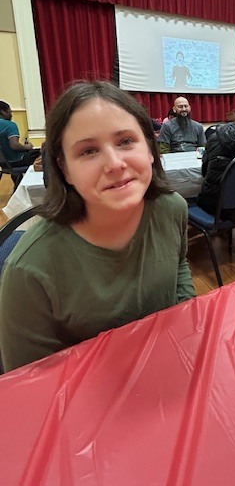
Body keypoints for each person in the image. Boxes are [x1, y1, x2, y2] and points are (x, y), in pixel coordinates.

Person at [0, 81, 195, 372]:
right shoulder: (29, 270)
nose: (115, 163)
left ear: (151, 150)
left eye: (126, 141)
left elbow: (179, 271)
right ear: (64, 169)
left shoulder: (172, 208)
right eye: (89, 151)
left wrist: (183, 332)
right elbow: (32, 383)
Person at [0, 100, 40, 167]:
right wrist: (27, 147)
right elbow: (14, 145)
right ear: (3, 112)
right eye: (10, 112)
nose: (11, 115)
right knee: (45, 152)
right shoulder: (10, 125)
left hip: (4, 164)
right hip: (18, 160)